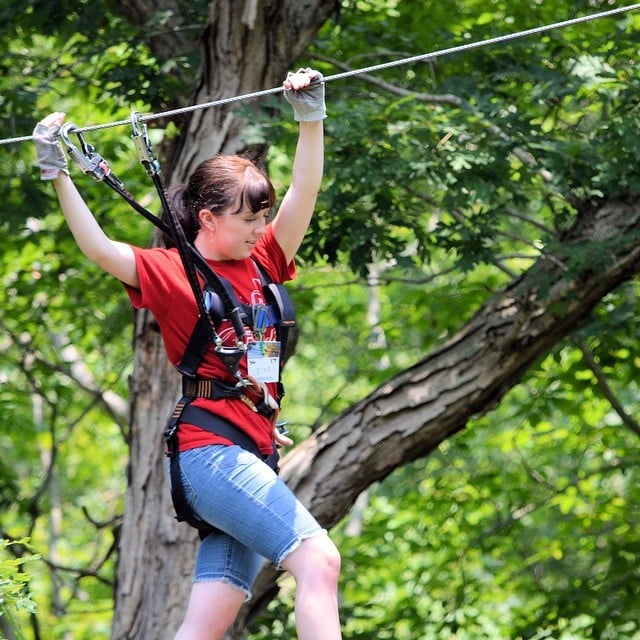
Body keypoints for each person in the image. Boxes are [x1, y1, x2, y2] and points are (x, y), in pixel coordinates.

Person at [33, 68, 342, 640]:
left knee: (208, 620)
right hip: (211, 455)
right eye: (248, 220)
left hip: (250, 452)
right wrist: (59, 173)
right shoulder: (172, 273)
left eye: (263, 219)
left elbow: (306, 191)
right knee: (319, 560)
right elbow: (99, 248)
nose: (260, 230)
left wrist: (310, 117)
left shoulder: (265, 259)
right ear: (208, 219)